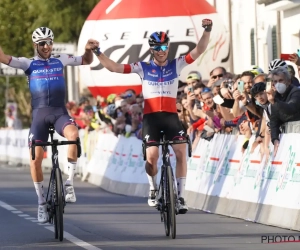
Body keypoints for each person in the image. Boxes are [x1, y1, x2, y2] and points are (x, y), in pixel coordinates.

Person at [92, 19, 213, 214]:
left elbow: (199, 49)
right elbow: (114, 67)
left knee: (181, 154)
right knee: (152, 157)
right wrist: (98, 52)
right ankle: (153, 187)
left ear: (168, 47)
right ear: (151, 49)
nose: (161, 50)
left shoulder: (177, 63)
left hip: (171, 118)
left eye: (164, 46)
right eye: (157, 47)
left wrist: (207, 29)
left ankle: (180, 197)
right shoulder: (142, 67)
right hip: (151, 119)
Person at [0, 27, 98, 223]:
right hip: (39, 116)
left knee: (74, 135)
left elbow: (87, 60)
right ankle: (41, 203)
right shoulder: (27, 63)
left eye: (49, 42)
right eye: (42, 43)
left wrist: (88, 50)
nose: (47, 47)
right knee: (35, 158)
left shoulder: (61, 59)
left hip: (59, 113)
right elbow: (3, 58)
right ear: (35, 45)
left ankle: (69, 183)